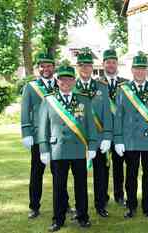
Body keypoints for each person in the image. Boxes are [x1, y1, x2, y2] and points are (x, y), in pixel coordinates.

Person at [38, 61, 97, 232]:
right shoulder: (49, 100)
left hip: (79, 149)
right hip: (58, 150)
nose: (65, 83)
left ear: (74, 81)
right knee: (58, 187)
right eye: (62, 80)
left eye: (69, 79)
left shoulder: (84, 100)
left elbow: (90, 126)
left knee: (81, 186)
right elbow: (43, 127)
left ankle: (83, 217)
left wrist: (92, 146)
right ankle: (58, 219)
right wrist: (44, 149)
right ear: (57, 81)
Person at [114, 51, 148, 219]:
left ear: (147, 71)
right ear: (132, 70)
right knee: (131, 176)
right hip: (130, 141)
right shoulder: (123, 90)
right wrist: (118, 140)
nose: (140, 72)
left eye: (143, 69)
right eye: (137, 68)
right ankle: (131, 206)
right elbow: (119, 116)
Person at [74, 47, 113, 217]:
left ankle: (100, 205)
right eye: (81, 65)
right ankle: (79, 207)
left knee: (101, 175)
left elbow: (107, 114)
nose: (85, 68)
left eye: (88, 65)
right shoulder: (70, 86)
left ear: (93, 67)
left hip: (98, 139)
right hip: (78, 141)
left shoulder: (101, 87)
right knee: (79, 177)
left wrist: (107, 136)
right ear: (77, 67)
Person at [21, 52, 59, 219]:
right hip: (38, 137)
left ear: (53, 67)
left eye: (49, 65)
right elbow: (25, 111)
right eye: (42, 66)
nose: (45, 69)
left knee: (60, 174)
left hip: (59, 137)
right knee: (37, 173)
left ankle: (63, 205)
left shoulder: (61, 84)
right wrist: (26, 132)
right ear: (38, 68)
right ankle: (34, 206)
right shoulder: (31, 87)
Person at [99, 48, 128, 207]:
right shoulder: (97, 84)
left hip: (120, 132)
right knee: (102, 167)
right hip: (101, 131)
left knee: (119, 166)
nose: (111, 65)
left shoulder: (126, 84)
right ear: (103, 64)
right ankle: (102, 196)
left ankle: (119, 195)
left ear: (117, 64)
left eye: (113, 62)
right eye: (108, 62)